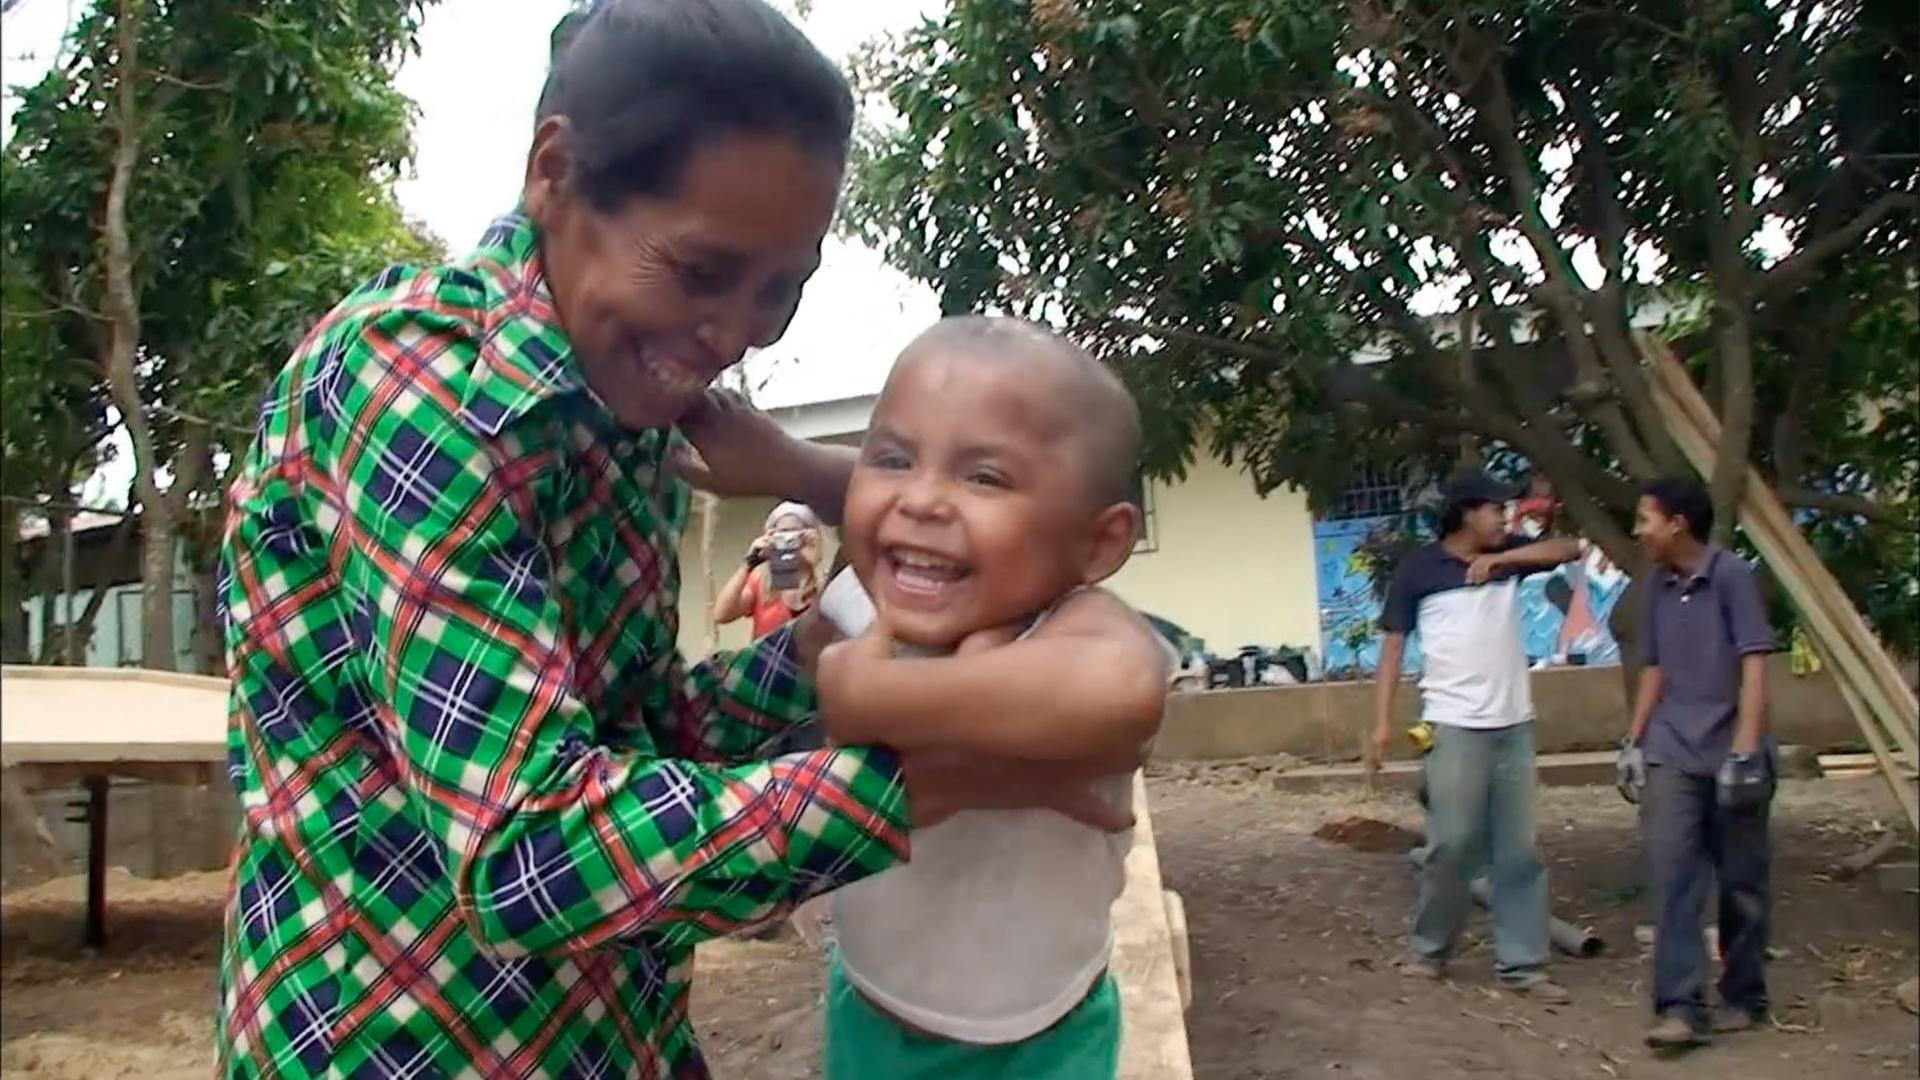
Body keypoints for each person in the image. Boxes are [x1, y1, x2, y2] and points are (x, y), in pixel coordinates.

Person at [212, 4, 1129, 1076]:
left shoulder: (620, 401)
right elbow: (527, 853)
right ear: (555, 173)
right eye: (699, 272)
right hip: (406, 1045)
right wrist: (945, 773)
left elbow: (644, 731)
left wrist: (836, 646)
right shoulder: (420, 388)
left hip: (613, 1034)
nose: (736, 333)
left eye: (781, 291)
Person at [811, 316, 1171, 1079]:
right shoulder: (866, 608)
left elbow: (1127, 693)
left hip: (1044, 1039)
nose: (921, 501)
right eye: (894, 459)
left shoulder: (1075, 625)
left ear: (1099, 544)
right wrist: (771, 458)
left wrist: (879, 694)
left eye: (984, 478)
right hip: (871, 1011)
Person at [1367, 471, 1582, 1002]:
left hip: (1514, 723)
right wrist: (1381, 724)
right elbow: (1392, 647)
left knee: (1519, 851)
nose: (1504, 519)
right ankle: (1430, 950)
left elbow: (1570, 548)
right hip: (1453, 723)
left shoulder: (1509, 556)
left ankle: (1523, 965)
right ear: (1466, 512)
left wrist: (1504, 561)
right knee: (1452, 843)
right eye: (1495, 510)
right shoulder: (1420, 569)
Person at [1619, 477, 1776, 1050]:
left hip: (1729, 745)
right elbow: (1654, 667)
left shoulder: (1732, 576)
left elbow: (1754, 664)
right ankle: (1680, 1006)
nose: (1638, 530)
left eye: (1645, 519)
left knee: (1741, 883)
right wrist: (1634, 740)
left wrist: (1745, 751)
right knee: (1673, 876)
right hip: (1672, 749)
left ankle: (1744, 995)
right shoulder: (1657, 586)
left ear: (1677, 524)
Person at [714, 501, 826, 638]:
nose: (788, 539)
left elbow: (834, 616)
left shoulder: (823, 581)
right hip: (768, 651)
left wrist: (815, 564)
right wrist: (749, 563)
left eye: (796, 532)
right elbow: (721, 615)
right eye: (782, 533)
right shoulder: (761, 582)